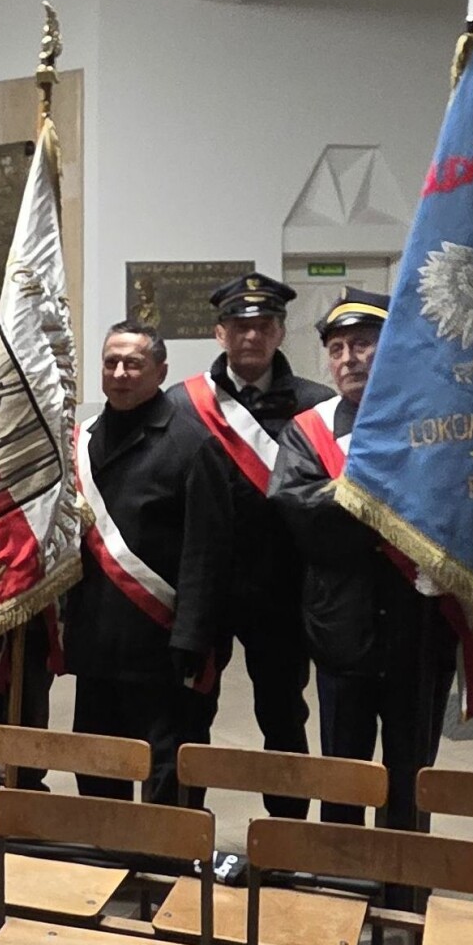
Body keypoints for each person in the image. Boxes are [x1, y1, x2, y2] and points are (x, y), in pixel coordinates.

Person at [268, 290, 456, 866]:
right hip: (342, 627)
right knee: (344, 772)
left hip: (420, 627)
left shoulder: (437, 422)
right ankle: (342, 878)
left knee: (411, 772)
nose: (348, 358)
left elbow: (456, 504)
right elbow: (298, 510)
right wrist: (382, 495)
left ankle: (404, 881)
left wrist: (349, 500)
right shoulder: (309, 429)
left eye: (363, 344)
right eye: (337, 348)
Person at [168, 272, 329, 819]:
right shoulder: (183, 404)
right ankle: (183, 832)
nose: (251, 336)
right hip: (204, 594)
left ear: (280, 332)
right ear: (220, 333)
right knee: (189, 716)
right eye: (240, 326)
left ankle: (287, 834)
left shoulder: (315, 406)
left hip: (281, 593)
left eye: (263, 326)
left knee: (284, 718)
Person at [65, 322, 233, 806]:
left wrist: (192, 639)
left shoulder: (192, 444)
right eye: (111, 362)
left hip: (164, 645)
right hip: (97, 640)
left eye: (133, 364)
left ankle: (168, 855)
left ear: (160, 371)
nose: (120, 373)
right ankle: (108, 849)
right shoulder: (83, 442)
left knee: (168, 776)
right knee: (98, 768)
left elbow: (208, 553)